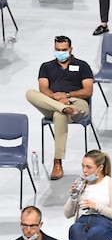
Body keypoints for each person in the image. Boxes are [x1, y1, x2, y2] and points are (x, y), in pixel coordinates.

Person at [25, 35, 94, 180]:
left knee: (59, 115)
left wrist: (67, 95)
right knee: (30, 93)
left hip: (77, 103)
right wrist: (59, 101)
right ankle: (65, 110)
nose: (60, 52)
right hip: (53, 101)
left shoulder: (82, 65)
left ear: (71, 49)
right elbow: (43, 89)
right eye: (57, 49)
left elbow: (88, 91)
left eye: (64, 49)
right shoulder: (46, 67)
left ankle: (58, 163)